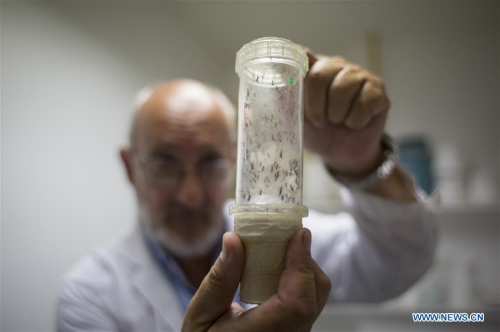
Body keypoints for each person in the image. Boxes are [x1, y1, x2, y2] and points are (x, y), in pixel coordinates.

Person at [57, 48, 437, 332]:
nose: (190, 194)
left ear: (237, 161)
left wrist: (359, 159)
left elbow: (397, 263)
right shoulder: (88, 295)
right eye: (164, 164)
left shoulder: (289, 239)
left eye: (210, 162)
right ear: (129, 167)